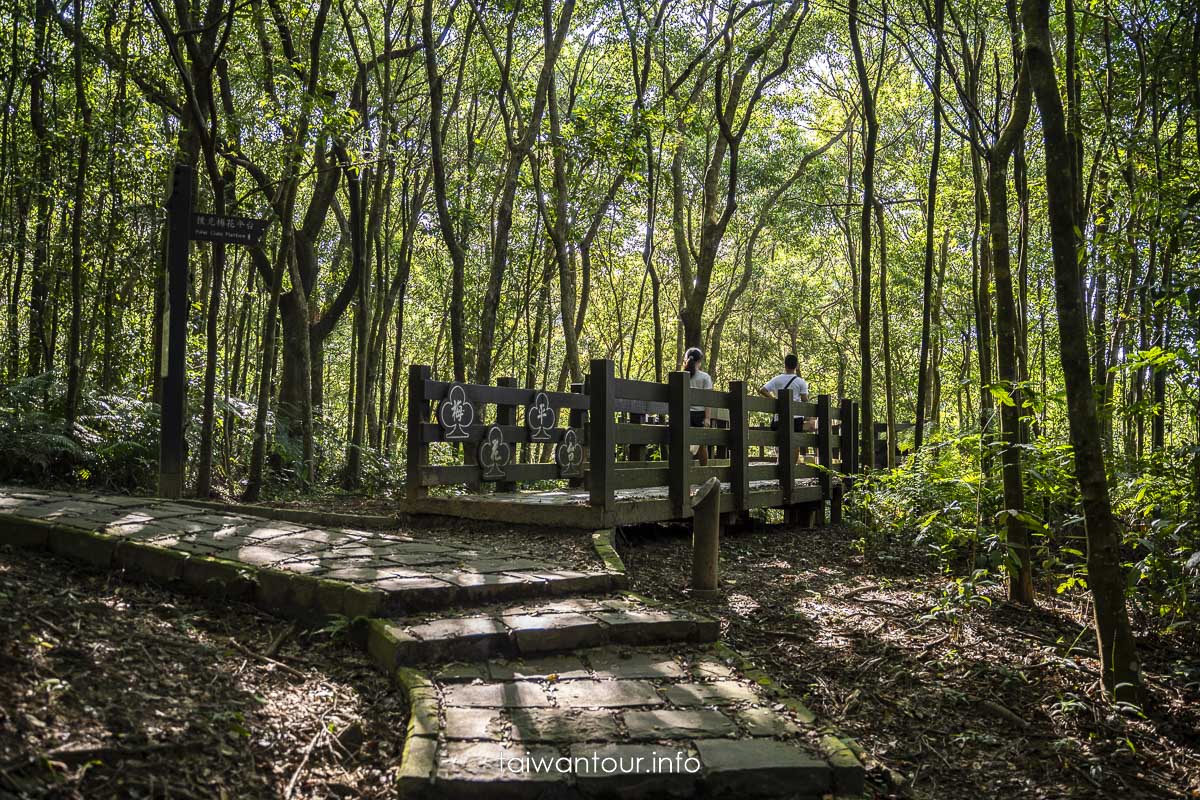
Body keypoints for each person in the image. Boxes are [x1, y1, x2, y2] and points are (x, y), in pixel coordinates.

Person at [758, 354, 809, 464]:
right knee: (795, 442)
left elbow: (762, 390)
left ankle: (780, 465)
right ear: (797, 366)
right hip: (796, 417)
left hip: (780, 416)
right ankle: (792, 467)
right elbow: (805, 400)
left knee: (780, 441)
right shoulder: (801, 382)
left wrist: (775, 400)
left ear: (785, 365)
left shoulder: (777, 379)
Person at [683, 347, 712, 466]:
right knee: (701, 446)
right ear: (699, 361)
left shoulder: (682, 376)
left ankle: (684, 474)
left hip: (684, 413)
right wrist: (707, 418)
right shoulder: (705, 377)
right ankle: (704, 474)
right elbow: (708, 399)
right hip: (699, 414)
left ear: (686, 360)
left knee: (685, 444)